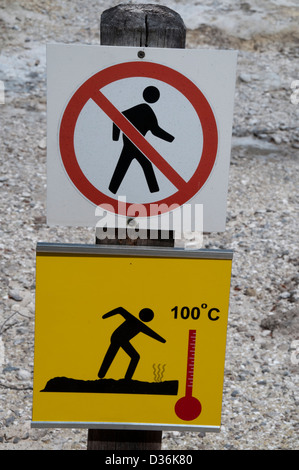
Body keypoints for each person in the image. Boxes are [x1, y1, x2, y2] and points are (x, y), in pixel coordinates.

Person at [109, 86, 174, 194]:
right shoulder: (144, 109)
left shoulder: (147, 111)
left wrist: (171, 139)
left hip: (136, 144)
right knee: (143, 165)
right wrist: (115, 138)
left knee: (129, 165)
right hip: (132, 144)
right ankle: (154, 192)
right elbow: (117, 118)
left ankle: (112, 189)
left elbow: (155, 131)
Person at [98, 306, 166, 380]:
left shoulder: (140, 325)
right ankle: (125, 378)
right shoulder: (133, 320)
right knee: (132, 356)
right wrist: (104, 316)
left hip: (120, 338)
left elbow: (152, 334)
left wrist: (163, 340)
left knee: (131, 356)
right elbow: (120, 310)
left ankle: (122, 378)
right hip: (118, 337)